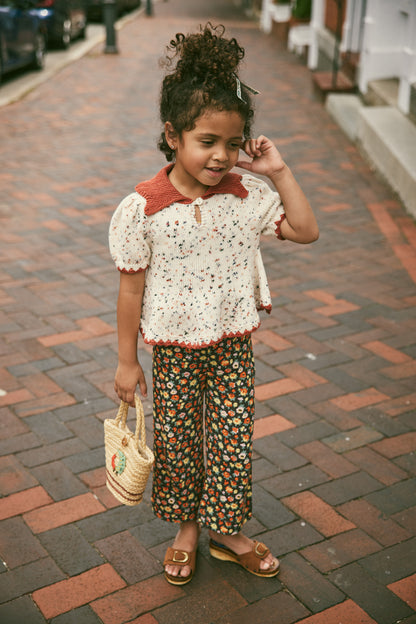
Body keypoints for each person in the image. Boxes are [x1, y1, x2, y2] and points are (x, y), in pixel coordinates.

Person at [109, 22, 318, 586]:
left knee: (230, 439)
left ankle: (225, 530)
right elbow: (131, 288)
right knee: (178, 442)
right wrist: (127, 361)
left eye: (233, 142)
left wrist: (277, 170)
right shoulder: (144, 208)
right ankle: (185, 530)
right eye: (208, 142)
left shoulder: (247, 198)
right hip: (173, 349)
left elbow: (304, 229)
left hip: (231, 344)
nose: (222, 156)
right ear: (173, 135)